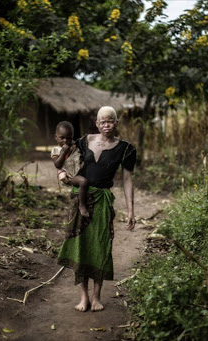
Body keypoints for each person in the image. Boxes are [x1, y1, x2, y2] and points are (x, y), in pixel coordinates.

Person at [57, 106, 136, 312]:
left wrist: (130, 211)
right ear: (97, 124)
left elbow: (127, 179)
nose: (106, 125)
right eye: (102, 122)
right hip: (80, 198)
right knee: (80, 246)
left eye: (110, 121)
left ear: (116, 123)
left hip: (102, 201)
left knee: (101, 246)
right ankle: (83, 297)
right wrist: (62, 174)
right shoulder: (83, 142)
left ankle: (96, 296)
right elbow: (67, 160)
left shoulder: (126, 149)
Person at [51, 121, 90, 217]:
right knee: (83, 182)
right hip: (68, 175)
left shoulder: (75, 146)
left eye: (69, 138)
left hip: (79, 170)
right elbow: (57, 165)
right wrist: (63, 152)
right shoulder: (56, 150)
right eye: (62, 138)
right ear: (56, 137)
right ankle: (82, 205)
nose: (66, 141)